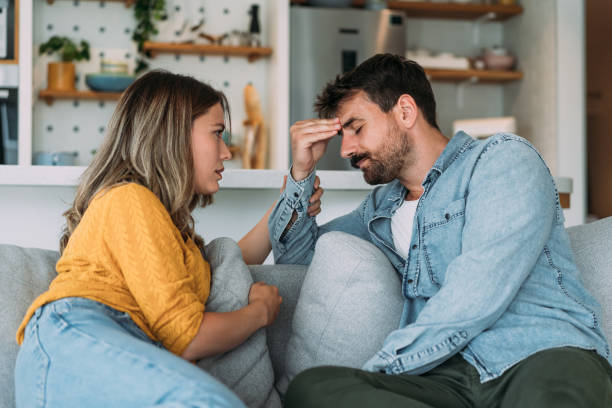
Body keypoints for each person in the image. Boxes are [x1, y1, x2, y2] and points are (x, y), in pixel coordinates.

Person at [268, 53, 612, 407]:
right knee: (314, 388)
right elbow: (296, 259)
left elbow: (476, 292)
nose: (346, 150)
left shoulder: (502, 159)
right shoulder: (380, 209)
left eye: (356, 128)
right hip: (450, 378)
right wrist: (300, 173)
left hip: (537, 355)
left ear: (405, 111)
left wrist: (383, 371)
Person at [13, 70, 323, 408]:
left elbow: (231, 261)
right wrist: (259, 313)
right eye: (217, 134)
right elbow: (187, 338)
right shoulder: (128, 199)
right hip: (78, 335)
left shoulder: (172, 234)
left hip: (104, 343)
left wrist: (294, 189)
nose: (226, 152)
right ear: (172, 135)